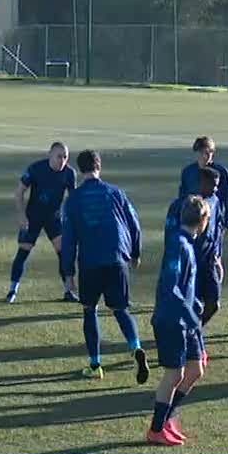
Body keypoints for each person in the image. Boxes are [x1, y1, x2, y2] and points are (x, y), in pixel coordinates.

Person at [61, 150, 148, 382]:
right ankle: (136, 346)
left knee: (90, 311)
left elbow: (68, 240)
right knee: (121, 309)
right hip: (117, 259)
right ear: (99, 166)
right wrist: (135, 252)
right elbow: (134, 224)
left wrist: (68, 273)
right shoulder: (116, 193)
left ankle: (95, 364)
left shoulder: (74, 199)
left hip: (90, 263)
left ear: (80, 170)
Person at [148, 196, 210, 446]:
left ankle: (167, 418)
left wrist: (195, 313)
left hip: (187, 321)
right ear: (203, 220)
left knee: (196, 370)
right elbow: (171, 288)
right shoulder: (178, 244)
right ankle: (155, 429)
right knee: (174, 375)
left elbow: (186, 289)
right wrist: (192, 316)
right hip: (172, 320)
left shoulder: (187, 243)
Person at [165, 166, 222, 367]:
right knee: (192, 304)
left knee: (213, 304)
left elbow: (217, 231)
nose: (215, 190)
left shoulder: (215, 201)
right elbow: (170, 233)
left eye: (217, 186)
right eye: (211, 186)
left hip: (208, 262)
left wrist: (218, 258)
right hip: (190, 263)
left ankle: (193, 331)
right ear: (200, 183)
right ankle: (195, 343)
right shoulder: (184, 205)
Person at [6, 142, 78, 303]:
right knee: (24, 251)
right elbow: (19, 192)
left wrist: (71, 219)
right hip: (33, 216)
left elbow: (73, 199)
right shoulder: (36, 169)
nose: (62, 160)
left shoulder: (69, 173)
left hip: (54, 217)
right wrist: (21, 215)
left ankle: (68, 290)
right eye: (59, 156)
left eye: (65, 157)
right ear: (50, 155)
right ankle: (12, 290)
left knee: (63, 252)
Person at [179, 136, 228, 237]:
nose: (207, 156)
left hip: (213, 221)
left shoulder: (221, 172)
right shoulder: (188, 172)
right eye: (204, 152)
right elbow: (182, 197)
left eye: (210, 152)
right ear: (197, 153)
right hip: (193, 223)